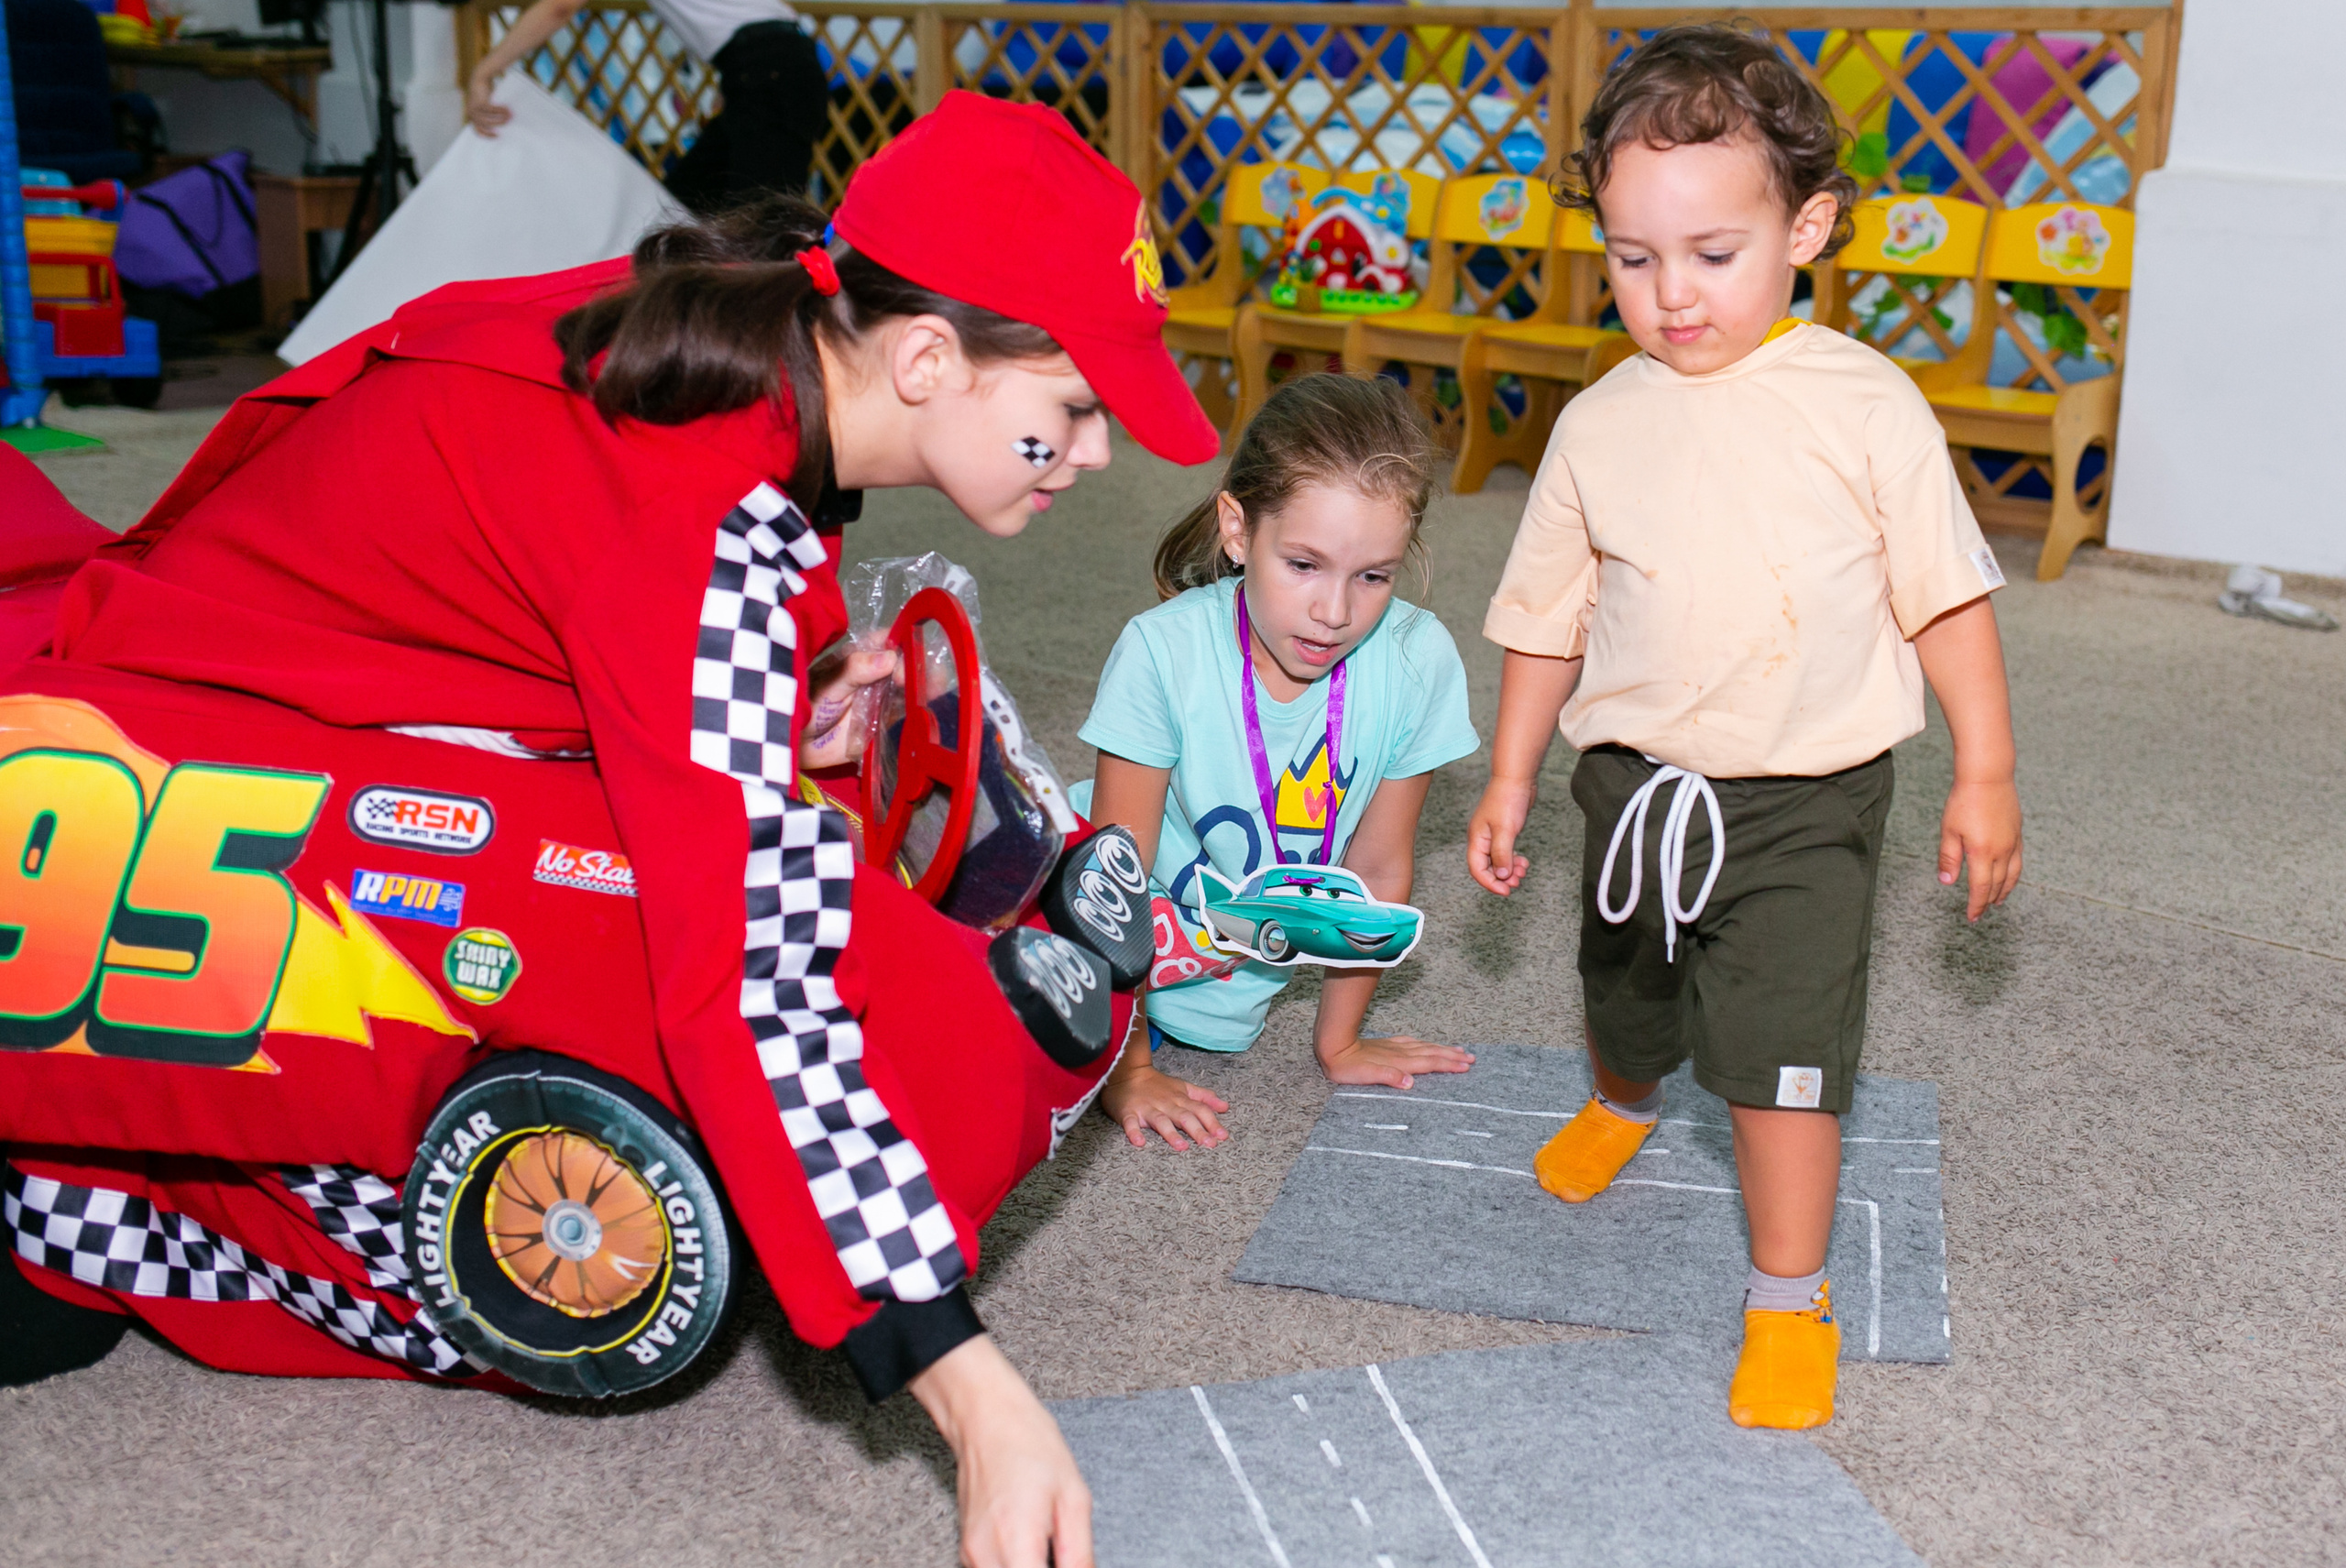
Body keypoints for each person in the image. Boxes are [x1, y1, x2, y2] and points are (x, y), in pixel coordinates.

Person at [0, 93, 1218, 1568]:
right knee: (543, 1009)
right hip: (178, 747)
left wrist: (781, 703)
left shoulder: (755, 352)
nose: (1091, 454)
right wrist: (965, 1381)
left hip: (303, 667)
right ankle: (72, 1203)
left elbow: (571, 576)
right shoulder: (706, 531)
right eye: (1076, 409)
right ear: (924, 358)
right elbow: (754, 993)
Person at [1464, 24, 2022, 1431]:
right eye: (1633, 258)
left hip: (1807, 796)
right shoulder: (1598, 424)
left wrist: (1987, 768)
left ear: (1808, 226)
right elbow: (1549, 616)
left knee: (1784, 1055)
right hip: (1631, 783)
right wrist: (1515, 772)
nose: (1671, 294)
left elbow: (1946, 598)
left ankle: (1789, 1293)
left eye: (1712, 254)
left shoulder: (1866, 406)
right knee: (1625, 995)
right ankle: (1623, 1098)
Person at [1080, 375, 1482, 1151]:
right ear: (1237, 529)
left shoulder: (1417, 659)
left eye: (1373, 575)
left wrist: (1339, 1043)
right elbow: (1108, 879)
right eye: (1304, 564)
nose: (1335, 612)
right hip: (1113, 917)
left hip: (1236, 946)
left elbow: (1377, 866)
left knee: (1217, 1023)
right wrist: (1123, 1070)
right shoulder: (1161, 651)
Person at [467, 0, 831, 210]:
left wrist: (485, 71)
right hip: (765, 71)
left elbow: (559, 6)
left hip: (769, 72)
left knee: (760, 229)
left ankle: (770, 337)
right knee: (682, 213)